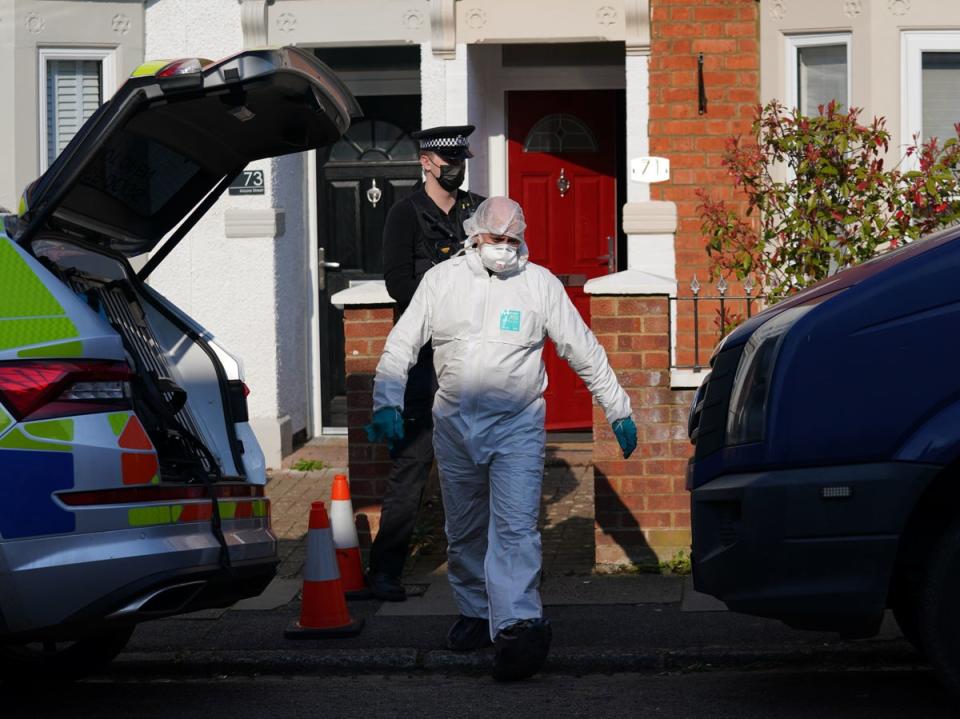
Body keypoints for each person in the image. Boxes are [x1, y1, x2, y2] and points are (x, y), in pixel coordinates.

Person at [365, 197, 638, 681]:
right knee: (465, 527)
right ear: (475, 235)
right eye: (496, 239)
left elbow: (582, 348)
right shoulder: (442, 281)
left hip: (516, 423)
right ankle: (475, 612)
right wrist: (387, 400)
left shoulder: (539, 285)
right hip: (453, 422)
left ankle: (516, 626)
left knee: (514, 528)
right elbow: (402, 342)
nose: (504, 249)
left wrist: (617, 407)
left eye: (513, 240)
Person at [366, 125, 484, 601]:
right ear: (426, 161)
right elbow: (398, 284)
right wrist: (449, 292)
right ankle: (385, 570)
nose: (455, 169)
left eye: (461, 160)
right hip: (424, 357)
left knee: (481, 462)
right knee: (413, 464)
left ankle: (488, 565)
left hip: (472, 356)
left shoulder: (477, 210)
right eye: (446, 160)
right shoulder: (404, 214)